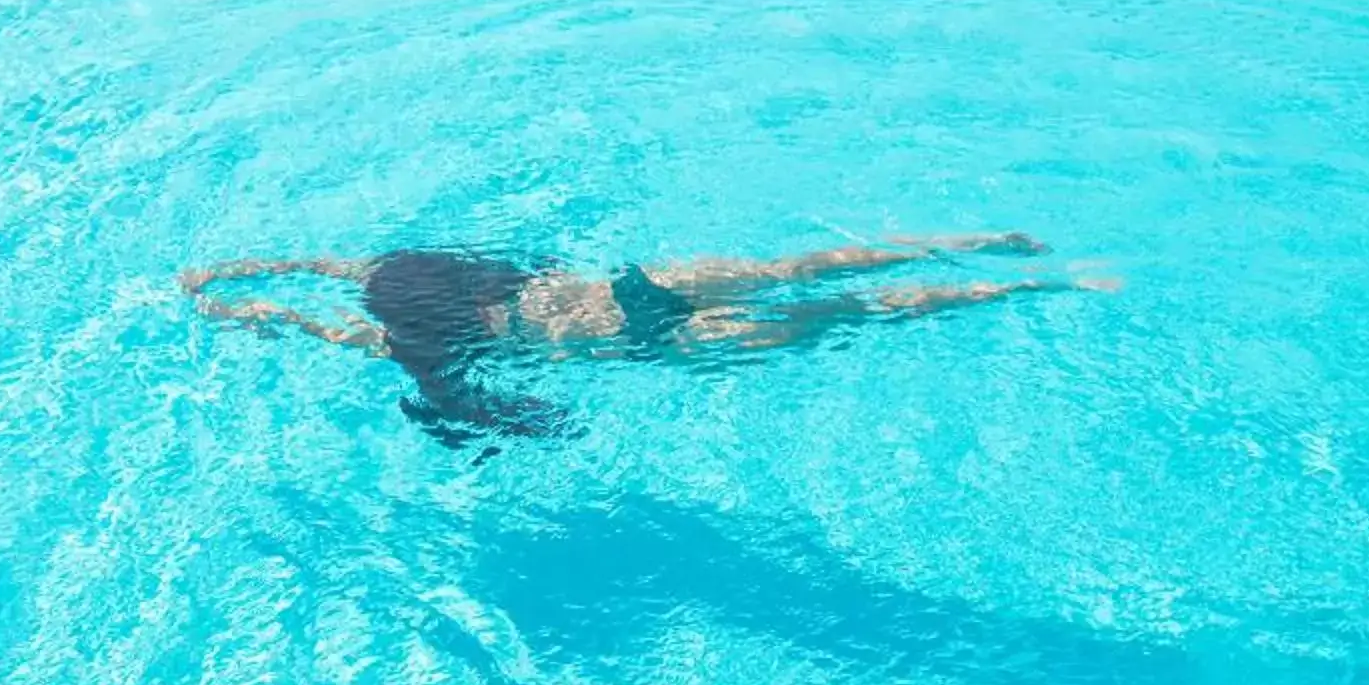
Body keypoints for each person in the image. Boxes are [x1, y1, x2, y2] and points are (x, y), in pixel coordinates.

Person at [180, 237, 1113, 442]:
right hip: (637, 289)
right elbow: (324, 269)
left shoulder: (402, 339)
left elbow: (300, 315)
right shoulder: (415, 276)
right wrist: (226, 272)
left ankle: (1019, 285)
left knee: (847, 314)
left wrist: (217, 303)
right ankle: (991, 251)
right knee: (811, 271)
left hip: (642, 344)